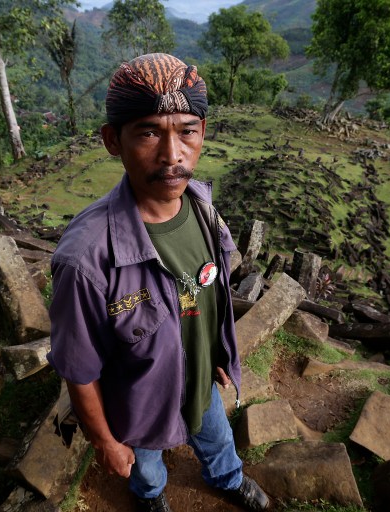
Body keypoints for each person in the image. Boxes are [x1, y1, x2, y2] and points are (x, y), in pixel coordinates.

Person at [47, 53, 269, 512]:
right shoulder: (86, 260)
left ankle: (227, 479)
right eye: (149, 132)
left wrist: (219, 350)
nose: (173, 155)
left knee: (218, 436)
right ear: (113, 140)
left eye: (187, 130)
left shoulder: (204, 209)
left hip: (203, 377)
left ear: (202, 133)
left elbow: (209, 292)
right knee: (143, 466)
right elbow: (79, 369)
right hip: (137, 401)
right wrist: (106, 441)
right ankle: (150, 498)